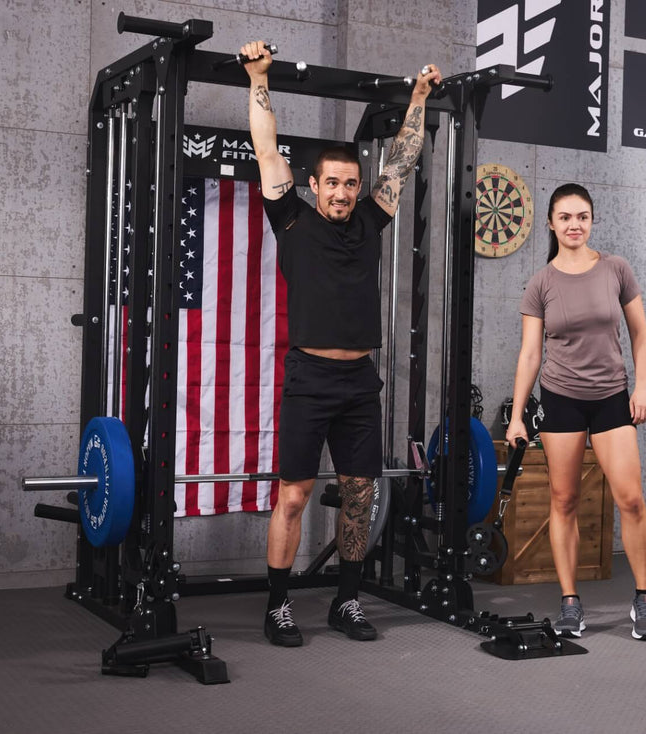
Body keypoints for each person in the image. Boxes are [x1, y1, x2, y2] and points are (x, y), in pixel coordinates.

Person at [240, 41, 441, 646]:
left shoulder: (372, 220)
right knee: (295, 496)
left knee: (361, 495)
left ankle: (346, 602)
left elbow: (403, 161)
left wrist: (420, 98)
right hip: (309, 378)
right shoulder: (291, 218)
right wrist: (258, 77)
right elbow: (265, 145)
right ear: (314, 184)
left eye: (350, 184)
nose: (342, 193)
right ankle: (278, 605)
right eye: (332, 184)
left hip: (360, 382)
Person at [505, 183, 646, 641]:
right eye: (566, 217)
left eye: (583, 217)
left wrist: (644, 386)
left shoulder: (616, 269)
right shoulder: (541, 284)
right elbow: (530, 354)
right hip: (562, 399)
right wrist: (517, 415)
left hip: (612, 396)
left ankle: (645, 598)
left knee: (630, 499)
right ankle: (570, 602)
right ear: (551, 224)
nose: (575, 225)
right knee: (564, 500)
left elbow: (641, 334)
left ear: (592, 221)